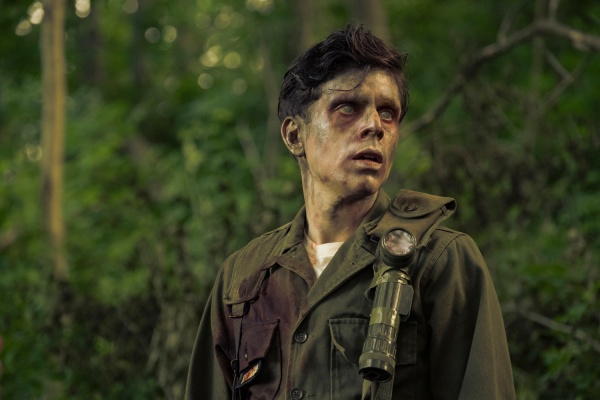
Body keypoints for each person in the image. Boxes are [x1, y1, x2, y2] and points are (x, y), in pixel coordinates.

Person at [185, 25, 515, 400]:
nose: (374, 126)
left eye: (388, 113)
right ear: (295, 136)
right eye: (347, 108)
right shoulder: (242, 277)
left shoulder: (440, 259)